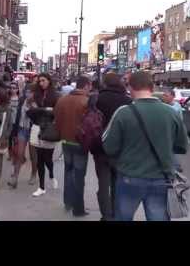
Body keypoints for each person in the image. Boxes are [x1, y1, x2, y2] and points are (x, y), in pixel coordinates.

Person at [102, 71, 188, 221]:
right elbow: (182, 146)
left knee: (123, 217)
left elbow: (109, 146)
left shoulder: (123, 113)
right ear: (152, 87)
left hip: (130, 176)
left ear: (130, 88)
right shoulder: (171, 112)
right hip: (162, 177)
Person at [94, 73, 132, 221]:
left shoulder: (97, 99)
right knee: (118, 184)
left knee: (103, 184)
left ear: (105, 83)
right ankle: (116, 213)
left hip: (100, 147)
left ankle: (106, 216)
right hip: (120, 150)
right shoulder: (127, 101)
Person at [54, 75, 91, 217]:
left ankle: (68, 201)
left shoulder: (62, 100)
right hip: (80, 143)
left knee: (68, 172)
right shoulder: (86, 101)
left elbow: (57, 120)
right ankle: (78, 208)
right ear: (87, 86)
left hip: (65, 141)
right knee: (79, 176)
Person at [28, 73, 60, 197]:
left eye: (43, 80)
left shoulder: (56, 95)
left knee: (48, 158)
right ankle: (41, 187)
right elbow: (30, 111)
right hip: (37, 127)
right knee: (39, 159)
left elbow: (56, 112)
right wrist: (44, 109)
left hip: (49, 129)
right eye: (39, 81)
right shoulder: (36, 95)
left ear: (49, 81)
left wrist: (42, 110)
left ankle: (51, 174)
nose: (41, 83)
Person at [8, 83, 38, 189]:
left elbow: (37, 119)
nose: (28, 94)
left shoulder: (36, 103)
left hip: (33, 130)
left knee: (33, 155)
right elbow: (17, 116)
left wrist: (33, 109)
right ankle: (15, 177)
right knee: (19, 153)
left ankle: (34, 174)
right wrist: (15, 132)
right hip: (22, 129)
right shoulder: (21, 101)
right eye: (27, 91)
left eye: (31, 92)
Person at [7, 82, 20, 161]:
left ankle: (15, 155)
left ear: (17, 89)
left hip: (16, 122)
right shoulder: (7, 98)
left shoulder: (20, 99)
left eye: (14, 88)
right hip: (8, 122)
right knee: (9, 139)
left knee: (15, 139)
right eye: (11, 88)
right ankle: (10, 154)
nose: (12, 89)